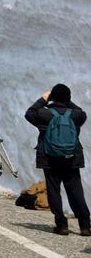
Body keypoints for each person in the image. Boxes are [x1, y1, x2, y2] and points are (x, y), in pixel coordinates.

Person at [24, 84, 91, 236]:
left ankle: (61, 225)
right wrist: (68, 101)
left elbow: (29, 113)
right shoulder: (76, 115)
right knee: (76, 192)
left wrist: (43, 99)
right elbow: (82, 112)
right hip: (71, 158)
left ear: (52, 97)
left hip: (50, 158)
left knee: (54, 191)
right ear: (68, 98)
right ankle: (85, 226)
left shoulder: (43, 114)